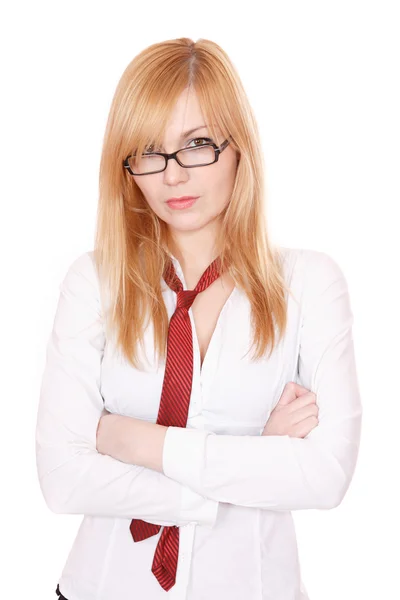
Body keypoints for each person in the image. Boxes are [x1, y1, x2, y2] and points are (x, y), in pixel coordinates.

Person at [36, 37, 363, 600]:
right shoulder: (93, 282)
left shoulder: (310, 284)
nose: (172, 175)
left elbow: (327, 475)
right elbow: (63, 482)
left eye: (198, 144)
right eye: (147, 151)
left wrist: (131, 441)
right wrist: (255, 460)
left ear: (240, 148)